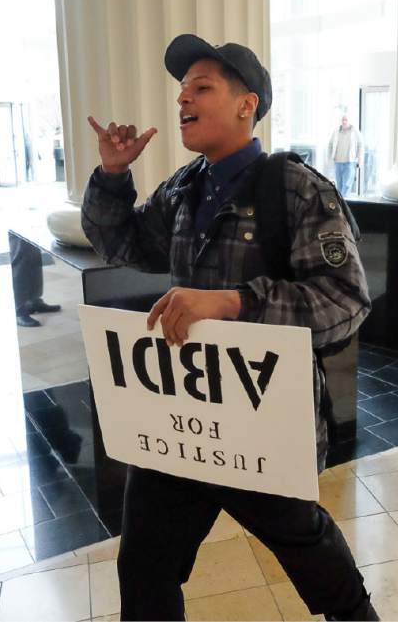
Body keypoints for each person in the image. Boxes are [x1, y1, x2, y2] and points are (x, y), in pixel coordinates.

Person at [80, 34, 377, 621]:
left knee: (311, 553)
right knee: (145, 567)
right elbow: (124, 244)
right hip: (183, 417)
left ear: (248, 104)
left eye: (202, 87)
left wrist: (234, 302)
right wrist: (113, 176)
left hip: (263, 420)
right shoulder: (185, 188)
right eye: (182, 89)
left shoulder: (296, 188)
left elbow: (345, 301)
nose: (183, 99)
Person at [327, 115, 364, 196]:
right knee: (339, 186)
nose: (344, 121)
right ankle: (341, 204)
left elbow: (360, 145)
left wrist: (359, 160)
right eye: (343, 120)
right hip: (338, 162)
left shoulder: (355, 131)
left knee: (347, 185)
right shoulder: (336, 130)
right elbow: (330, 144)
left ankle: (344, 203)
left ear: (349, 121)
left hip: (350, 163)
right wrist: (329, 158)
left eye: (346, 120)